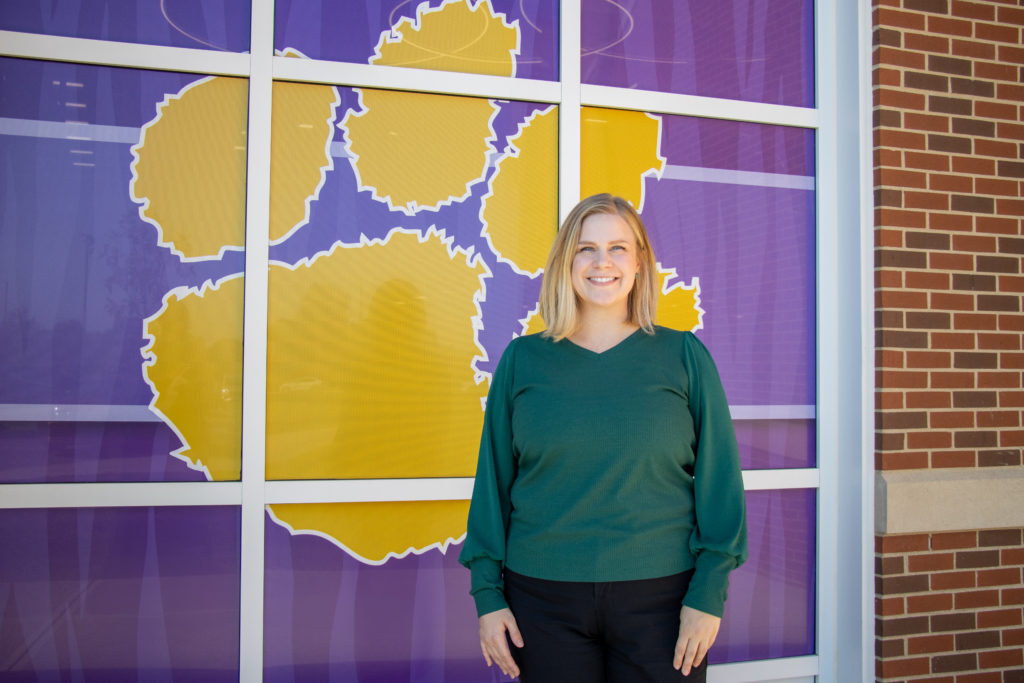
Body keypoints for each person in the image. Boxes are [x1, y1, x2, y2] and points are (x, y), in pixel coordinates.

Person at [459, 193, 747, 682]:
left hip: (663, 602)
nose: (602, 262)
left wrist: (708, 594)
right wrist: (488, 595)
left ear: (639, 264)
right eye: (585, 248)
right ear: (566, 263)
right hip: (541, 603)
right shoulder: (523, 361)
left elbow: (720, 483)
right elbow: (492, 485)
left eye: (618, 248)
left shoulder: (683, 356)